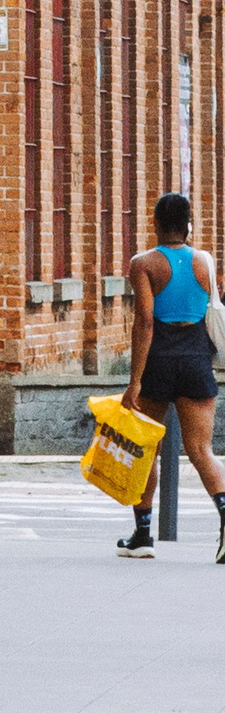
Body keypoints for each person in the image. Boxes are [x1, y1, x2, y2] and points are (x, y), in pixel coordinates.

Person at [115, 191, 225, 561]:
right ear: (188, 224)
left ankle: (143, 535)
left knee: (146, 449)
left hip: (159, 359)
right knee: (201, 450)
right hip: (196, 356)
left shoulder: (144, 263)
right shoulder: (205, 262)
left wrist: (135, 380)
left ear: (156, 224)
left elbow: (145, 321)